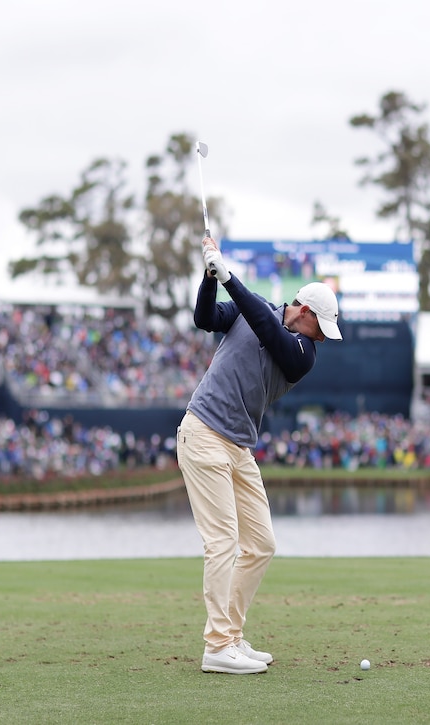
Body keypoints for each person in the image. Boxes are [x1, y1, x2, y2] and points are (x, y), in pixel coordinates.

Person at [177, 236, 342, 674]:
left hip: (238, 446)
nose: (323, 338)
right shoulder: (258, 310)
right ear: (304, 311)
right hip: (204, 433)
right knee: (223, 543)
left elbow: (269, 331)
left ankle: (231, 634)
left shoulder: (303, 354)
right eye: (321, 326)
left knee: (261, 544)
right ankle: (217, 647)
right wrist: (210, 276)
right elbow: (205, 317)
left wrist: (229, 275)